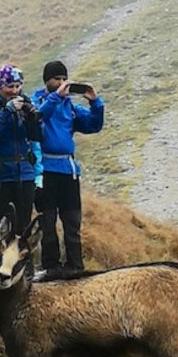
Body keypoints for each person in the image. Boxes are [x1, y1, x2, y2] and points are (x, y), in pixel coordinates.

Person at [30, 60, 104, 275]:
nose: (62, 83)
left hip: (68, 169)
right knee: (48, 220)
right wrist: (56, 97)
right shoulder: (38, 100)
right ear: (47, 80)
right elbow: (37, 117)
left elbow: (93, 125)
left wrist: (95, 102)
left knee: (72, 221)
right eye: (57, 79)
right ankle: (51, 266)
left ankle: (75, 266)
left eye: (64, 79)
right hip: (46, 170)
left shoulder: (69, 106)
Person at [0, 63, 41, 241]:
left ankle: (21, 266)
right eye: (9, 86)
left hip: (24, 174)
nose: (14, 91)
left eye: (18, 86)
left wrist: (33, 118)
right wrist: (6, 112)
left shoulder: (24, 105)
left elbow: (37, 136)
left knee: (23, 227)